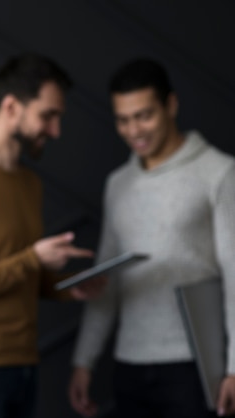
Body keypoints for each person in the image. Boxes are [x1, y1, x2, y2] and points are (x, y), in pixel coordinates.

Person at [68, 58, 235, 418]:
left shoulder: (218, 172)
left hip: (193, 367)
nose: (133, 130)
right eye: (123, 120)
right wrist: (84, 361)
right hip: (128, 364)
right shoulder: (118, 184)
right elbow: (105, 280)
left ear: (171, 105)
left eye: (144, 115)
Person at [0, 52, 99, 418]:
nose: (55, 131)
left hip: (23, 364)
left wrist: (63, 286)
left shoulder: (29, 183)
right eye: (48, 115)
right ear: (11, 106)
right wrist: (34, 259)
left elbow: (15, 271)